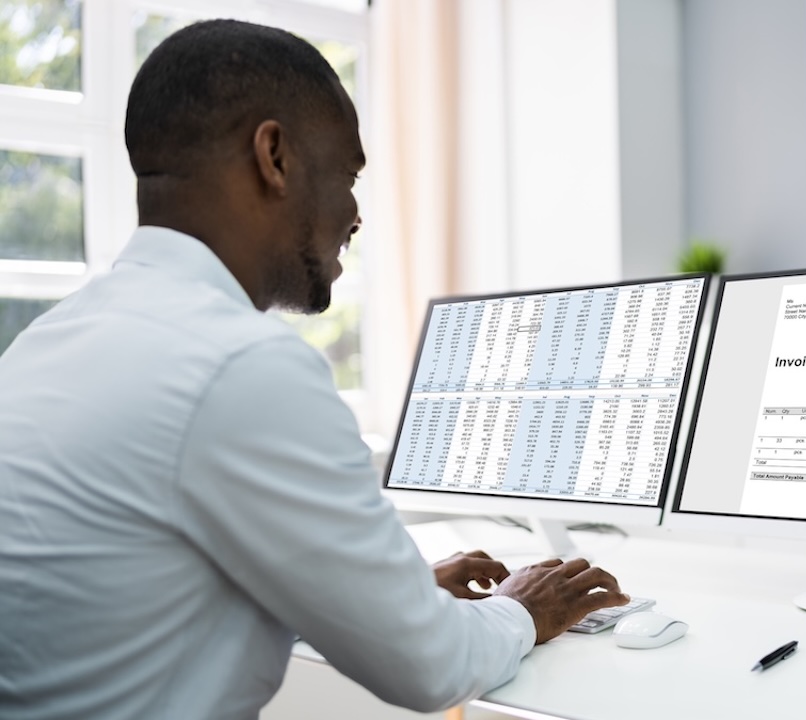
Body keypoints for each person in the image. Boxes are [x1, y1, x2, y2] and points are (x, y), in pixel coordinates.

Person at [0, 19, 628, 719]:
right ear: (274, 156)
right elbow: (433, 668)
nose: (356, 215)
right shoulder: (241, 366)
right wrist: (519, 610)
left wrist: (374, 597)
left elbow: (128, 602)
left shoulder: (46, 343)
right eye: (349, 175)